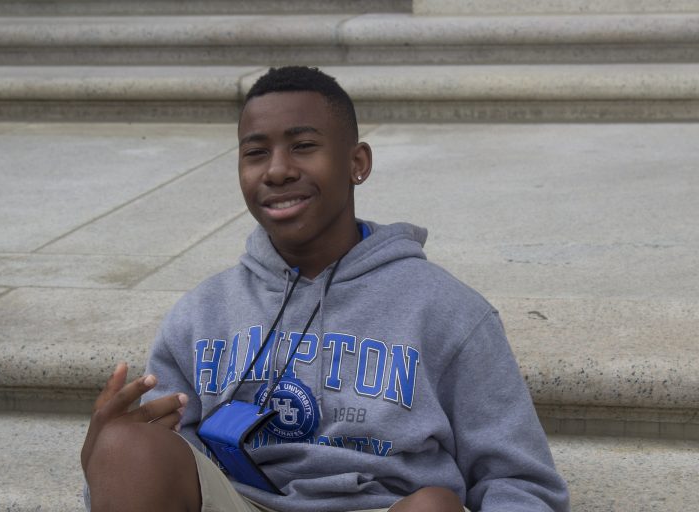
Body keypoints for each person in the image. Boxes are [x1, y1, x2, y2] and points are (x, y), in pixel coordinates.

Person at [81, 66, 570, 512]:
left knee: (433, 508)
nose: (277, 170)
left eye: (303, 146)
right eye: (256, 153)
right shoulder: (201, 314)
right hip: (242, 503)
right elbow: (158, 471)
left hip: (383, 506)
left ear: (357, 162)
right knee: (126, 444)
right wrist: (100, 451)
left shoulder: (447, 310)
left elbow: (519, 481)